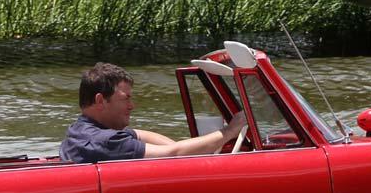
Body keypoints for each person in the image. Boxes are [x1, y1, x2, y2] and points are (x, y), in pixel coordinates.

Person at [59, 62, 247, 163]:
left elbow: (140, 134)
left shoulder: (80, 130)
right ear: (100, 101)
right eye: (126, 98)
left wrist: (183, 148)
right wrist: (230, 131)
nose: (132, 106)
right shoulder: (106, 142)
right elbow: (172, 155)